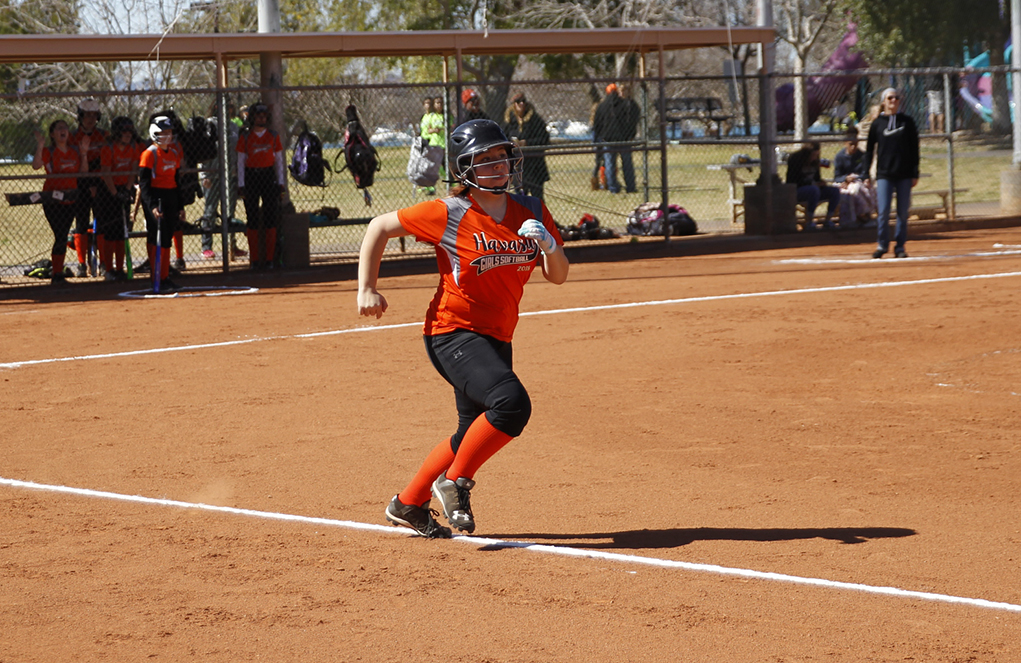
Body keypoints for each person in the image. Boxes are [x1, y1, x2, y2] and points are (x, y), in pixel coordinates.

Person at [358, 119, 569, 538]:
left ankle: (408, 503)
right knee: (511, 404)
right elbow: (379, 226)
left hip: (497, 336)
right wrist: (367, 288)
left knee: (469, 430)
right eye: (484, 160)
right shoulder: (450, 212)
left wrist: (549, 243)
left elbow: (558, 275)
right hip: (451, 332)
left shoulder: (530, 209)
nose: (497, 166)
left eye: (502, 157)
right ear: (465, 169)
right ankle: (454, 481)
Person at [864, 87, 920, 259]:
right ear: (884, 102)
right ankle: (882, 245)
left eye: (896, 98)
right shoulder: (877, 123)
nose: (893, 101)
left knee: (903, 212)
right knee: (883, 211)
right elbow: (868, 150)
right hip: (884, 173)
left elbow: (914, 149)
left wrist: (914, 172)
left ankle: (900, 246)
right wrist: (866, 173)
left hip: (904, 174)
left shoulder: (907, 122)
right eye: (890, 98)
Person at [32, 119, 86, 284]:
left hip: (70, 198)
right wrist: (40, 145)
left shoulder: (74, 151)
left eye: (65, 128)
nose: (63, 131)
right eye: (59, 128)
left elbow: (83, 172)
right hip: (52, 198)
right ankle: (57, 273)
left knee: (62, 235)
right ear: (52, 134)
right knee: (61, 234)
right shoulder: (49, 151)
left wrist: (84, 153)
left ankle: (57, 272)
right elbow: (36, 165)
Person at [138, 115, 186, 293]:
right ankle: (156, 276)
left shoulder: (173, 153)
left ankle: (165, 277)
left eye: (169, 132)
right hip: (155, 198)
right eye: (163, 133)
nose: (167, 136)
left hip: (171, 197)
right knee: (156, 237)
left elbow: (177, 182)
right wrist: (151, 206)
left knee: (166, 238)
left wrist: (180, 206)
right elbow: (144, 184)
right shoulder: (149, 154)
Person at [236, 102, 286, 270]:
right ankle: (255, 260)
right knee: (252, 219)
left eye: (264, 116)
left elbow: (279, 161)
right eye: (258, 116)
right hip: (251, 176)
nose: (261, 119)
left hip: (268, 176)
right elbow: (240, 161)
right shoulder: (245, 136)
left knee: (271, 218)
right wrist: (241, 184)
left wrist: (280, 183)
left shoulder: (272, 135)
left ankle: (270, 260)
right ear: (252, 118)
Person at [95, 116, 144, 280]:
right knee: (110, 232)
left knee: (122, 231)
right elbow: (106, 173)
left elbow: (133, 170)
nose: (128, 134)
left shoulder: (134, 147)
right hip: (108, 191)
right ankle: (109, 269)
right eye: (124, 131)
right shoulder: (108, 148)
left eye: (130, 131)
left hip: (124, 189)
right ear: (117, 133)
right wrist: (115, 193)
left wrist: (128, 190)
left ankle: (120, 268)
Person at [198, 101, 246, 260]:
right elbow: (203, 151)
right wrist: (205, 175)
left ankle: (232, 245)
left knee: (230, 212)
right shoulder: (209, 124)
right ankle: (206, 246)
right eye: (223, 107)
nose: (227, 110)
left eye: (230, 107)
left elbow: (238, 150)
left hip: (230, 174)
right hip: (213, 174)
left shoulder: (233, 126)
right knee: (210, 210)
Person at [69, 98, 109, 277]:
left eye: (94, 116)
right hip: (81, 183)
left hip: (100, 182)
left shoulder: (104, 136)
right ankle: (81, 264)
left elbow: (106, 160)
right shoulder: (73, 137)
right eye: (87, 116)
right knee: (81, 223)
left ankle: (103, 263)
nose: (91, 119)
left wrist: (96, 183)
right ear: (80, 117)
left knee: (101, 222)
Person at [592, 83, 639, 194]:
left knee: (609, 164)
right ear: (617, 92)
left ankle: (613, 187)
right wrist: (631, 134)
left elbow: (596, 124)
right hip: (624, 138)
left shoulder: (602, 106)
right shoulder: (625, 104)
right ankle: (630, 186)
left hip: (608, 139)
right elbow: (632, 119)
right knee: (627, 163)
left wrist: (601, 135)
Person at [503, 92, 551, 200]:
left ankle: (539, 217)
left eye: (523, 101)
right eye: (518, 102)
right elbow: (503, 140)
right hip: (518, 166)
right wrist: (512, 144)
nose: (521, 104)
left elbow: (544, 140)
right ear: (513, 105)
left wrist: (527, 143)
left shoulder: (535, 120)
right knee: (520, 199)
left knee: (538, 199)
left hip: (535, 166)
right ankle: (522, 217)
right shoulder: (509, 121)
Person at [785, 140, 840, 230]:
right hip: (798, 191)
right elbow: (792, 181)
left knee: (835, 191)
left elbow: (817, 178)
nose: (814, 158)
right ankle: (809, 222)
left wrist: (821, 183)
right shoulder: (795, 160)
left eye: (816, 155)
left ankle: (828, 220)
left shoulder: (815, 162)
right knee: (814, 190)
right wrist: (812, 184)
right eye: (813, 155)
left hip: (814, 190)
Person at [833, 129, 876, 227]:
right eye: (851, 144)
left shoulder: (862, 155)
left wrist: (863, 178)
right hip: (844, 183)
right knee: (851, 191)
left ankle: (866, 216)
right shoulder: (840, 157)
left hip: (858, 181)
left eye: (855, 144)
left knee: (859, 188)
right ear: (845, 143)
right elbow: (837, 177)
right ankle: (852, 219)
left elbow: (865, 173)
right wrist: (845, 179)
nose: (853, 147)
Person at [419, 97, 446, 195]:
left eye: (429, 103)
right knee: (427, 166)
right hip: (426, 141)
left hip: (434, 141)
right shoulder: (424, 117)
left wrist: (437, 130)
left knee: (438, 166)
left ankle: (447, 179)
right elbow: (428, 129)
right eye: (425, 103)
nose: (428, 106)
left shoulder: (434, 116)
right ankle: (429, 187)